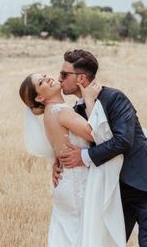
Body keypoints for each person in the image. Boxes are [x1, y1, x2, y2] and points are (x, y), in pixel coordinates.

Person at [57, 49, 147, 247]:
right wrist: (58, 163)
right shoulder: (76, 110)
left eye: (63, 74)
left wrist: (85, 156)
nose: (59, 79)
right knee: (109, 242)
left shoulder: (114, 98)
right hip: (115, 192)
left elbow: (123, 141)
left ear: (81, 78)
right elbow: (76, 143)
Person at [19, 72, 101, 246]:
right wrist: (89, 100)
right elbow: (95, 134)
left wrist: (55, 163)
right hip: (78, 183)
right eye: (42, 82)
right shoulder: (61, 111)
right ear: (40, 97)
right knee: (84, 239)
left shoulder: (50, 114)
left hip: (65, 182)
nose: (48, 78)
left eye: (45, 75)